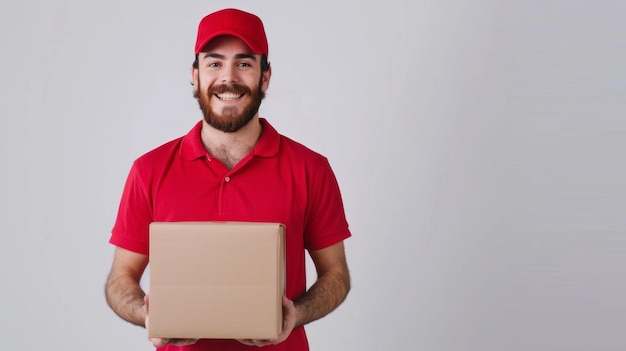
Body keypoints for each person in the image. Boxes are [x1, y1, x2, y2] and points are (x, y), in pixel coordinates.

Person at [104, 8, 352, 351]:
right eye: (214, 63)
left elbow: (336, 276)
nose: (228, 77)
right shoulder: (149, 170)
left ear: (265, 77)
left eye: (245, 63)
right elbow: (121, 279)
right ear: (195, 75)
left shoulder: (311, 169)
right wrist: (147, 316)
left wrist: (296, 314)